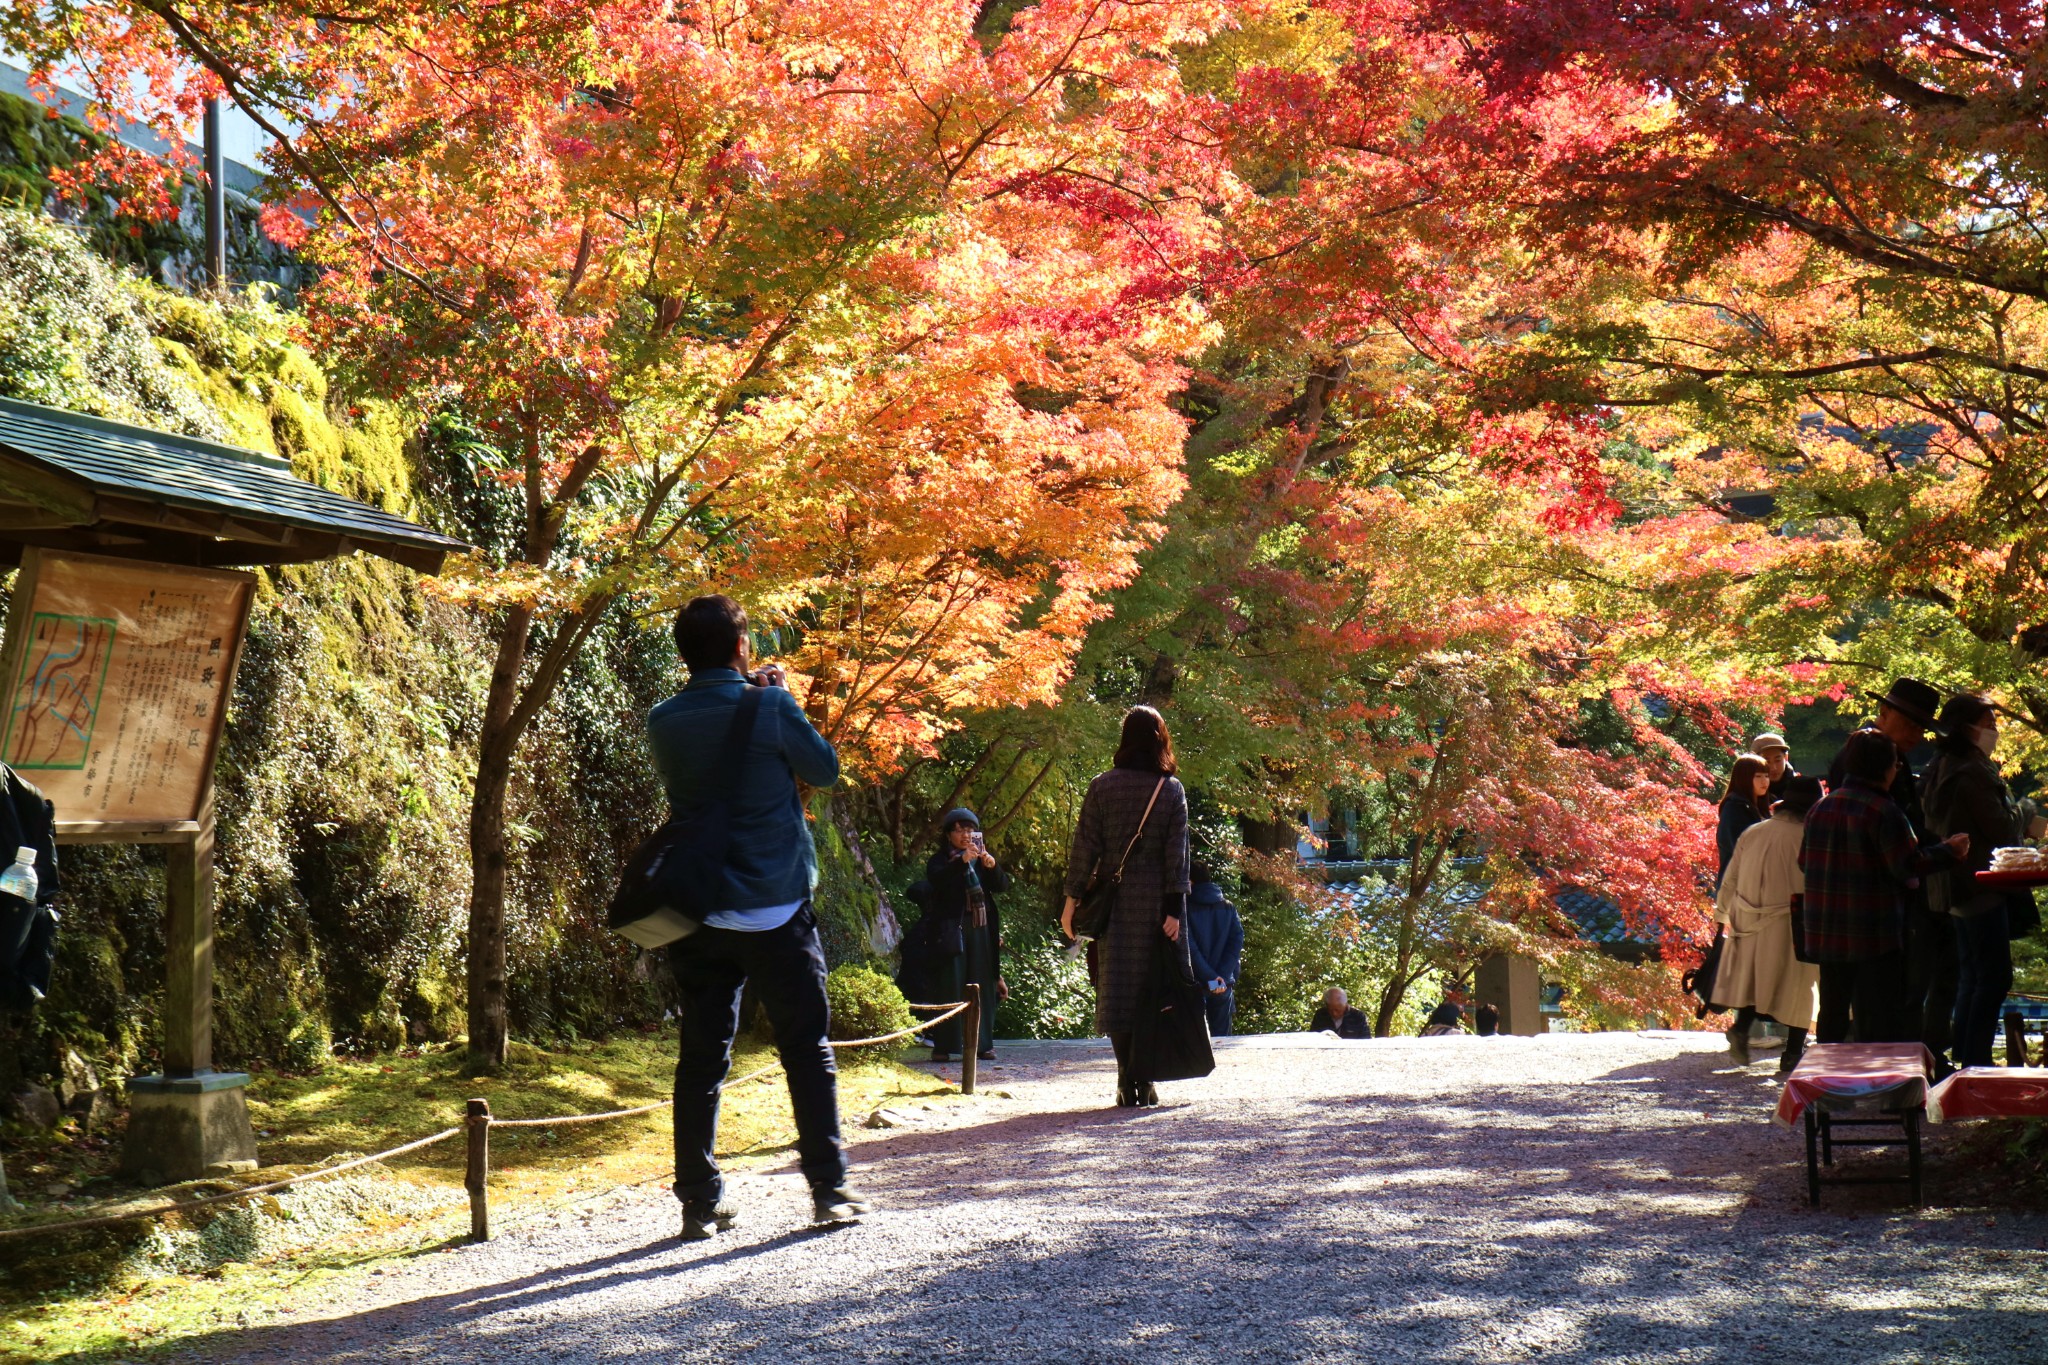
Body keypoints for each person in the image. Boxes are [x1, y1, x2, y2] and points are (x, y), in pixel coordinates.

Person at [646, 594, 870, 1238]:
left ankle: (699, 1199)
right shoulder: (770, 706)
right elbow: (823, 771)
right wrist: (783, 700)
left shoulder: (664, 720)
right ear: (743, 646)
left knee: (702, 1055)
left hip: (701, 912)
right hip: (776, 906)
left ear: (682, 652)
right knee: (806, 1048)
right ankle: (829, 1191)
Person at [1800, 728, 1968, 1046]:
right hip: (1873, 935)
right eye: (1895, 764)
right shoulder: (1884, 811)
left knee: (1832, 1014)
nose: (1897, 770)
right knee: (1875, 1020)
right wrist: (1949, 852)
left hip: (1825, 933)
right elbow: (1907, 864)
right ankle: (1874, 1089)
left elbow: (1803, 861)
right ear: (1884, 768)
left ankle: (1827, 1085)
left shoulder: (1821, 808)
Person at [1061, 705, 1192, 1107]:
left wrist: (1071, 904)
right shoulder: (1171, 790)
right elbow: (1177, 856)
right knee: (1154, 990)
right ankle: (1146, 1078)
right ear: (1160, 738)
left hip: (1115, 906)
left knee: (1118, 991)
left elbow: (1085, 848)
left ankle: (1124, 1079)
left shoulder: (1102, 786)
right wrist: (1173, 911)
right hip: (1155, 906)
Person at [1825, 676, 1955, 1058]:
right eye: (1910, 723)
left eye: (1922, 726)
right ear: (1884, 714)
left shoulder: (1890, 758)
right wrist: (1944, 851)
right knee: (1880, 997)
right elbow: (1894, 838)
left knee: (1872, 996)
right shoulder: (1865, 761)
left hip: (1867, 902)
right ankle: (1880, 1076)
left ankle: (1882, 1073)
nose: (1916, 734)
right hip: (1872, 903)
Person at [1924, 695, 2046, 1069]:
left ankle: (1967, 1055)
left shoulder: (1940, 766)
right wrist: (2026, 811)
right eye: (1989, 723)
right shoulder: (1971, 772)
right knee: (1993, 975)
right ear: (1967, 727)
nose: (1994, 730)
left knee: (1973, 974)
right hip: (1979, 884)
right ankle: (1976, 1060)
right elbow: (2002, 829)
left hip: (1953, 886)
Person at [1715, 775, 1824, 1073]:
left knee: (1752, 980)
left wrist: (1722, 916)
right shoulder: (1808, 836)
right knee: (1799, 986)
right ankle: (1792, 1053)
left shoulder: (1753, 832)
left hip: (1748, 917)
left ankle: (1741, 1029)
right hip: (1792, 920)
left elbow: (1731, 876)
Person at [924, 809, 1009, 1063]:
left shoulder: (981, 859)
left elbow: (1002, 886)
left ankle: (984, 1044)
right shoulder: (940, 860)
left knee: (983, 984)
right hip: (952, 929)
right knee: (951, 983)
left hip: (981, 928)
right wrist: (960, 862)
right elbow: (937, 883)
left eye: (970, 830)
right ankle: (945, 1044)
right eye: (959, 830)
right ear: (948, 834)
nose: (965, 835)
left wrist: (992, 867)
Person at [1185, 866, 1244, 1038]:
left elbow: (1190, 948)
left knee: (1195, 1040)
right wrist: (1221, 977)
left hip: (1195, 982)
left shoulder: (1185, 908)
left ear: (1191, 882)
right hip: (1223, 983)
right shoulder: (1228, 907)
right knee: (1222, 1039)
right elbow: (1236, 942)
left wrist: (1210, 977)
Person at [1716, 753, 1772, 886]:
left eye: (1766, 776)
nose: (1764, 781)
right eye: (1758, 776)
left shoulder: (1759, 807)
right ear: (1744, 778)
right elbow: (1743, 850)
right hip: (1738, 888)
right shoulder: (1734, 809)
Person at [1752, 732, 1800, 803]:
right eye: (1767, 762)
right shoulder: (1747, 794)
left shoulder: (1802, 788)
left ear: (1786, 757)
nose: (1773, 767)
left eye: (1778, 760)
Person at [1308, 987, 1372, 1038]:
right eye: (1330, 1010)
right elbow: (1313, 1038)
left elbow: (1366, 1040)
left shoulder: (1358, 1016)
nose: (1334, 1013)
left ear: (1345, 1005)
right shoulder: (1320, 1015)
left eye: (1337, 1010)